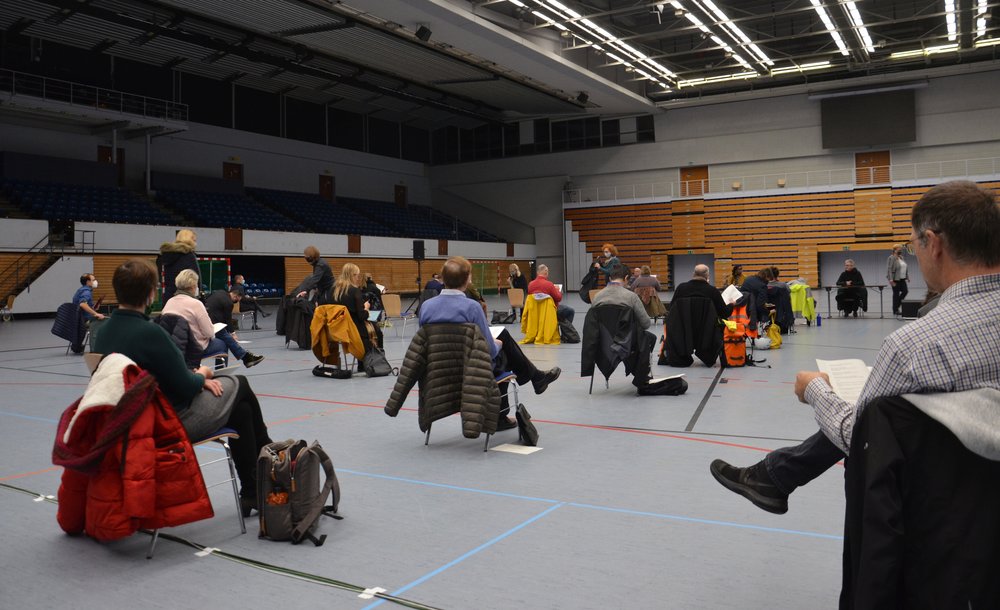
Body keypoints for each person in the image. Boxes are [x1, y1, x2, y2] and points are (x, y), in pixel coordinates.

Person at [710, 181, 1000, 515]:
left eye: (912, 246)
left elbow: (862, 439)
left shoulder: (916, 345)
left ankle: (772, 475)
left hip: (937, 510)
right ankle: (773, 476)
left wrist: (816, 390)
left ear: (933, 244)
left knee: (867, 416)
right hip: (979, 504)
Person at [93, 259, 274, 517]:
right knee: (240, 385)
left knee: (241, 411)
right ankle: (268, 455)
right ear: (151, 293)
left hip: (125, 423)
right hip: (166, 423)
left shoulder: (102, 332)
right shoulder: (150, 334)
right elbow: (186, 387)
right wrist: (202, 374)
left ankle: (252, 493)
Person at [420, 257, 561, 428]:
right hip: (472, 368)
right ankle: (503, 414)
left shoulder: (426, 307)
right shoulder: (472, 307)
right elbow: (489, 350)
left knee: (503, 337)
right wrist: (497, 344)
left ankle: (537, 378)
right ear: (466, 280)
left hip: (440, 369)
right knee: (503, 352)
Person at [163, 270, 265, 368]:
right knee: (223, 342)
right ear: (193, 286)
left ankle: (245, 356)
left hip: (172, 347)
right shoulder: (196, 304)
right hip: (192, 348)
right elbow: (209, 333)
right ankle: (222, 373)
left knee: (221, 333)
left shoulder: (169, 302)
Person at [330, 263, 383, 353]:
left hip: (337, 328)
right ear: (352, 275)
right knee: (377, 331)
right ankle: (372, 360)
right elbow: (362, 316)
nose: (358, 278)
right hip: (354, 329)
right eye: (357, 275)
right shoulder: (354, 291)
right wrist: (366, 307)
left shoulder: (334, 290)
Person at [591, 263, 651, 330]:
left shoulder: (597, 296)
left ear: (610, 278)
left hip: (604, 338)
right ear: (626, 278)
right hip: (627, 338)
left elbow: (593, 322)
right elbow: (646, 323)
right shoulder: (632, 297)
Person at [157, 229, 199, 303]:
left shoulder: (165, 255)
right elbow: (195, 277)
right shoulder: (189, 256)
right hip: (186, 298)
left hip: (169, 297)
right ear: (191, 240)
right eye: (194, 240)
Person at [887, 243, 909, 316]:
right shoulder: (891, 257)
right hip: (895, 279)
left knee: (905, 291)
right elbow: (889, 269)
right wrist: (890, 279)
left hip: (902, 279)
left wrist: (907, 277)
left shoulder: (901, 257)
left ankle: (896, 306)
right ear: (895, 250)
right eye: (899, 249)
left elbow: (904, 267)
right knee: (896, 295)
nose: (901, 250)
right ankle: (895, 310)